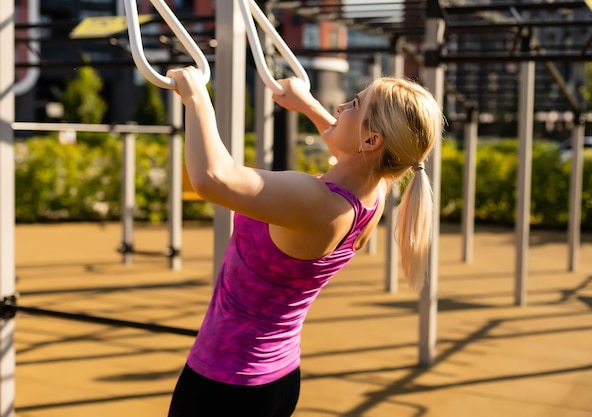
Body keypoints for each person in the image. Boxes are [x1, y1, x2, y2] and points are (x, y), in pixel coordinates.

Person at [165, 67, 444, 417]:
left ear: (371, 141)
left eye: (353, 105)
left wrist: (196, 96)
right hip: (275, 378)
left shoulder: (316, 202)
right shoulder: (374, 190)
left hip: (227, 384)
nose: (340, 108)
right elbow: (348, 147)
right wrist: (307, 104)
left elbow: (212, 179)